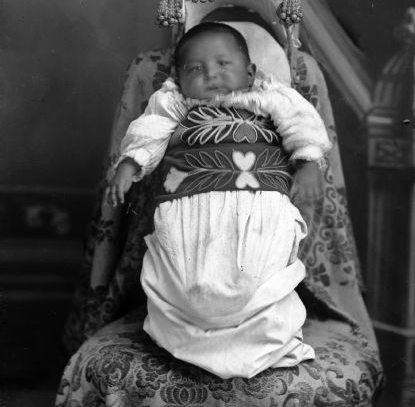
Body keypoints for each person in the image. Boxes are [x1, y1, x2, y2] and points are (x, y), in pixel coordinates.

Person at [105, 22, 332, 379]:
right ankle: (190, 334)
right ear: (179, 77)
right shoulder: (174, 101)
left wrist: (307, 163)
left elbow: (302, 124)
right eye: (195, 68)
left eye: (223, 64)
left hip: (258, 205)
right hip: (190, 206)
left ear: (250, 71)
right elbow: (149, 129)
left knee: (255, 275)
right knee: (190, 280)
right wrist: (130, 163)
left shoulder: (271, 94)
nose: (210, 74)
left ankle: (259, 340)